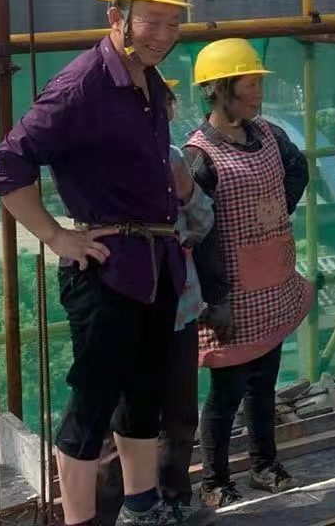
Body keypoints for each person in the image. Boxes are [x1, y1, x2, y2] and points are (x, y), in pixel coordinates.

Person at [0, 0, 192, 526]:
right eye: (151, 21)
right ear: (116, 16)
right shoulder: (82, 85)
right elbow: (6, 165)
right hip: (108, 268)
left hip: (154, 264)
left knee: (144, 396)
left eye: (172, 23)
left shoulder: (147, 82)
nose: (162, 35)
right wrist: (56, 236)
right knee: (93, 405)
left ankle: (141, 507)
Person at [182, 39, 311, 508]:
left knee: (264, 382)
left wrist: (273, 214)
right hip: (232, 293)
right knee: (226, 391)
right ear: (219, 89)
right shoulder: (199, 155)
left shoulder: (268, 135)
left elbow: (297, 172)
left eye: (258, 83)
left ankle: (264, 464)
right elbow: (198, 234)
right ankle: (215, 480)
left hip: (273, 282)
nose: (258, 92)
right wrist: (215, 299)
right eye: (249, 84)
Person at [96, 82, 213, 524]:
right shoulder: (99, 167)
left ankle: (174, 503)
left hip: (177, 307)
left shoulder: (173, 159)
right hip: (125, 308)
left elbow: (202, 221)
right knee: (124, 421)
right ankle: (118, 511)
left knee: (178, 416)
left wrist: (186, 194)